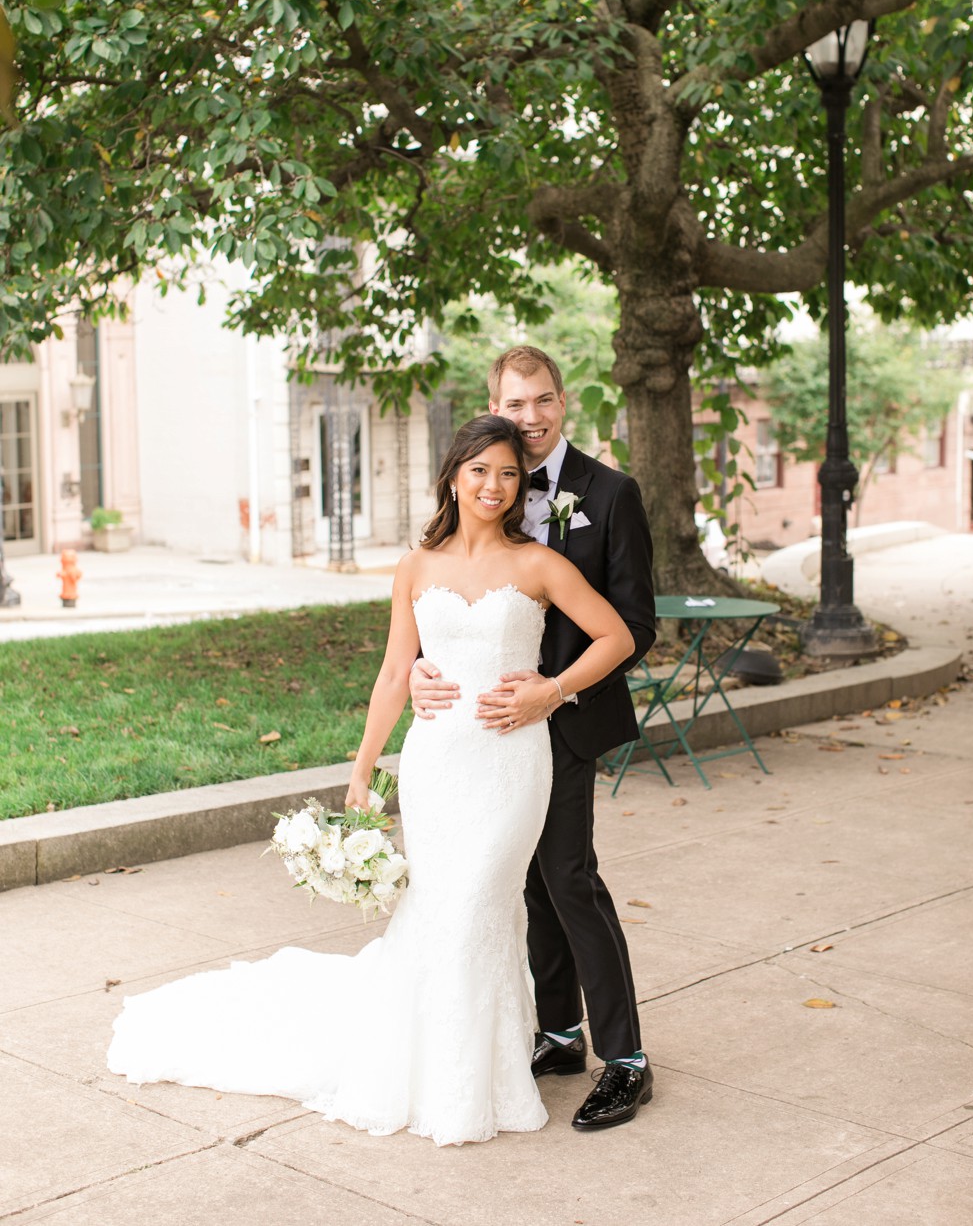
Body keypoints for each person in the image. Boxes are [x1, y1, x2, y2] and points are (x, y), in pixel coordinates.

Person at [107, 415, 634, 1148]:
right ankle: (441, 1071)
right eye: (480, 470)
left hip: (514, 762)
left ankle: (476, 1078)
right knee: (442, 911)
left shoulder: (537, 563)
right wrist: (362, 770)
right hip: (436, 763)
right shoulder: (416, 566)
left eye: (509, 474)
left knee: (483, 898)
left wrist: (552, 689)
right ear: (454, 474)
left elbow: (617, 636)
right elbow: (395, 671)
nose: (494, 486)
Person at [410, 346, 656, 1131]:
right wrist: (421, 670)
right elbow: (450, 597)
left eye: (543, 400)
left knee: (567, 875)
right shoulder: (489, 486)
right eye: (516, 404)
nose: (532, 417)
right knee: (519, 883)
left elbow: (634, 626)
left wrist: (554, 691)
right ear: (495, 407)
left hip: (568, 721)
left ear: (563, 403)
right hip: (482, 736)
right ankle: (559, 1033)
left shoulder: (611, 493)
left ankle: (626, 1060)